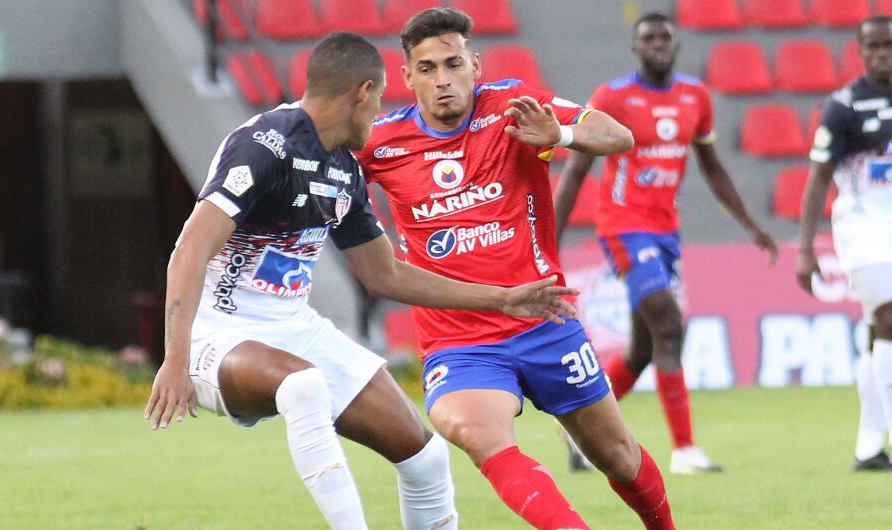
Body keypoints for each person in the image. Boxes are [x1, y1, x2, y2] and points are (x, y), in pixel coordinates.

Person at [143, 32, 581, 530]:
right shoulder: (263, 146)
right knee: (304, 384)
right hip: (217, 334)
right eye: (379, 101)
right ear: (362, 92)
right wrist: (175, 359)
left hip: (294, 329)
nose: (379, 115)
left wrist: (502, 298)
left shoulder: (344, 171)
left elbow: (384, 274)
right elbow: (190, 250)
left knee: (426, 458)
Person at [356, 8, 676, 530]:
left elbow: (618, 137)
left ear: (475, 66)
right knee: (482, 438)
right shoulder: (380, 143)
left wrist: (563, 136)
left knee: (619, 457)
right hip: (459, 343)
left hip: (545, 323)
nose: (444, 80)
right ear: (407, 75)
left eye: (454, 64)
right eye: (429, 68)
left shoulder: (515, 107)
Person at [553, 12, 778, 475]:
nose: (657, 44)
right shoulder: (613, 97)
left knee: (641, 349)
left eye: (665, 37)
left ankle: (578, 432)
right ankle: (685, 450)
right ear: (635, 48)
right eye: (648, 38)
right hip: (624, 227)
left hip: (665, 232)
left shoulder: (695, 96)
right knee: (670, 326)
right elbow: (576, 171)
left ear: (676, 45)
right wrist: (546, 246)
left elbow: (712, 167)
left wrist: (752, 225)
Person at [797, 15, 892, 471]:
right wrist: (805, 251)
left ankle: (866, 446)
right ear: (860, 53)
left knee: (881, 333)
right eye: (873, 47)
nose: (882, 54)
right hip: (860, 226)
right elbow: (819, 180)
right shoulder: (843, 106)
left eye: (889, 46)